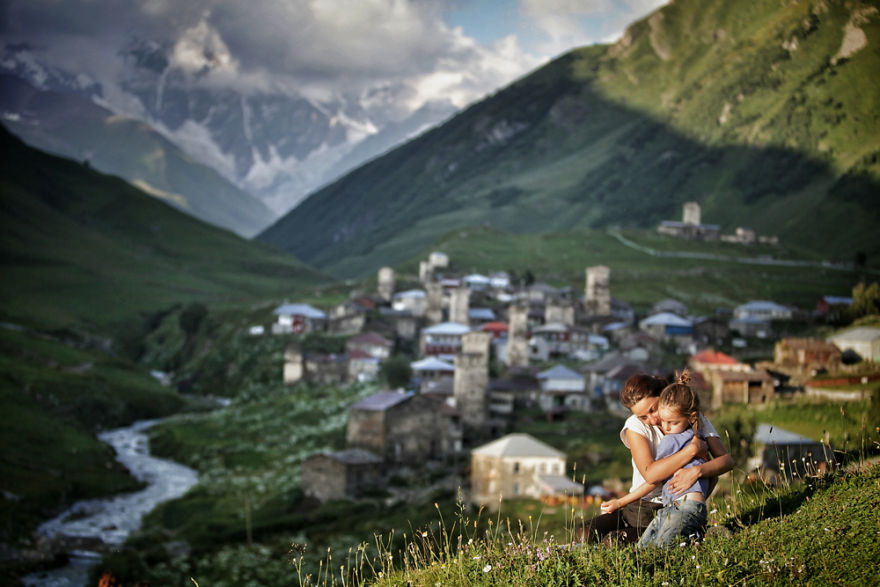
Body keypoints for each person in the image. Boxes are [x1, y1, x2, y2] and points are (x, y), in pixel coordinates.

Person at [579, 372, 734, 544]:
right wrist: (692, 450)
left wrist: (697, 471)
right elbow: (651, 475)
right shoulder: (635, 426)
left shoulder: (688, 415)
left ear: (663, 395)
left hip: (667, 504)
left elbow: (726, 461)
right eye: (643, 416)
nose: (652, 419)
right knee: (584, 533)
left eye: (653, 409)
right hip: (637, 504)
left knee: (614, 542)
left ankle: (696, 535)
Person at [637, 370, 711, 548]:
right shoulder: (699, 439)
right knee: (647, 547)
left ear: (692, 417)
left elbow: (654, 478)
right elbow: (713, 473)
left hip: (685, 507)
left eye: (673, 422)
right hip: (680, 506)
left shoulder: (670, 441)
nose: (666, 427)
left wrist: (623, 501)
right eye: (664, 421)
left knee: (659, 548)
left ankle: (702, 539)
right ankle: (697, 536)